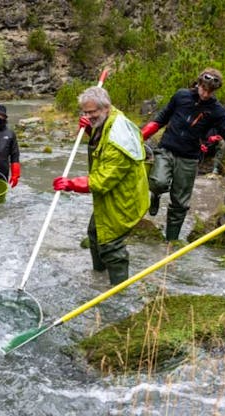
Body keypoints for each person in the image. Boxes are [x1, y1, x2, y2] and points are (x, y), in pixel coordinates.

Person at [141, 68, 225, 241]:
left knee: (180, 203)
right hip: (167, 149)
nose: (205, 94)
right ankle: (156, 195)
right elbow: (161, 119)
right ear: (198, 83)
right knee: (158, 182)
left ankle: (171, 241)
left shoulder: (217, 111)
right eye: (203, 88)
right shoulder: (181, 96)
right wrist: (139, 138)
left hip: (189, 158)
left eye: (210, 91)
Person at [53, 86, 150, 285]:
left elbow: (102, 180)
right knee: (95, 233)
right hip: (112, 195)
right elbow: (100, 151)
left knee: (111, 244)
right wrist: (92, 131)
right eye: (85, 113)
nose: (88, 116)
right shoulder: (110, 119)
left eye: (92, 112)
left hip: (124, 199)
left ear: (105, 107)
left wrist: (71, 184)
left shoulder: (117, 138)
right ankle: (99, 277)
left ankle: (118, 291)